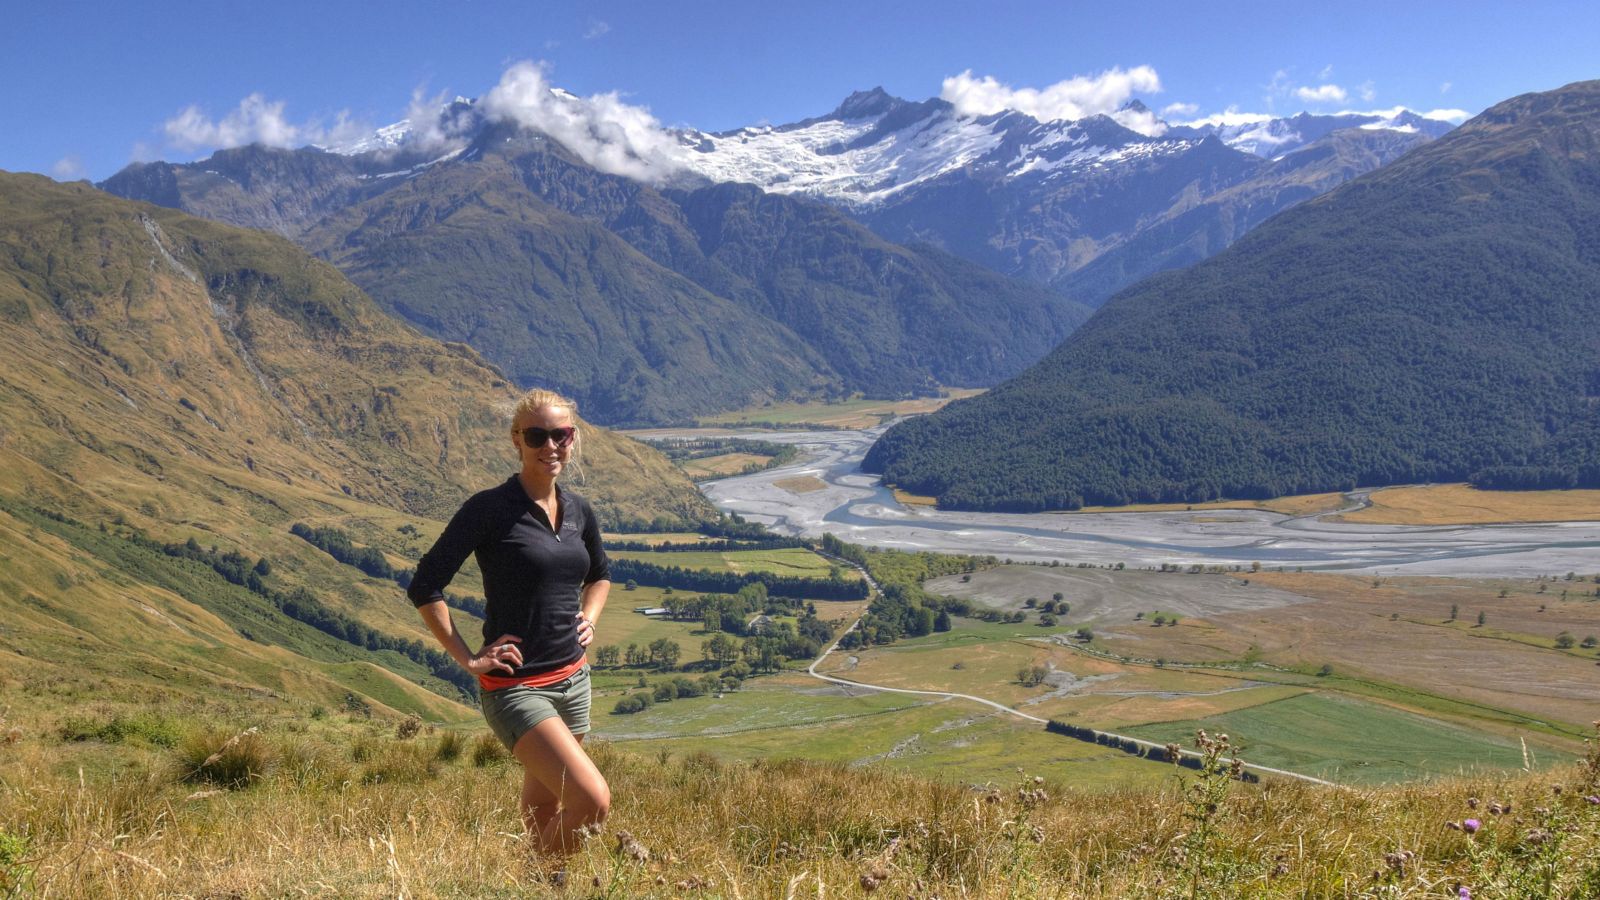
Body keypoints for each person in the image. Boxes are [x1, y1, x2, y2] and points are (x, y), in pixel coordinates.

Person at [407, 388, 611, 856]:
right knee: (593, 801)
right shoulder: (489, 509)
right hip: (516, 687)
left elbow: (599, 575)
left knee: (546, 803)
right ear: (515, 440)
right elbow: (425, 584)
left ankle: (544, 886)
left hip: (574, 680)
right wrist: (468, 658)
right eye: (537, 435)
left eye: (560, 435)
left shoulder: (579, 509)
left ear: (572, 439)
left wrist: (589, 619)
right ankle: (531, 875)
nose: (550, 446)